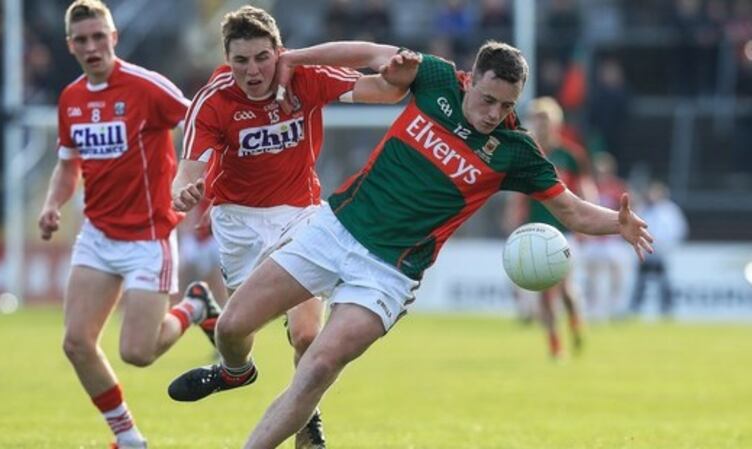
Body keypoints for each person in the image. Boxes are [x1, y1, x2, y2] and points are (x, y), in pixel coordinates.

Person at [169, 40, 653, 449]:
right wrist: (294, 57)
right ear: (471, 79)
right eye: (487, 99)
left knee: (317, 364)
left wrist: (619, 223)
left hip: (388, 273)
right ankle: (236, 371)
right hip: (334, 230)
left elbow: (570, 208)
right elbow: (368, 52)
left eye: (507, 106)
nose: (494, 114)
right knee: (232, 325)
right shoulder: (438, 79)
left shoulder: (514, 152)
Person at [168, 6, 413, 448]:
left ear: (278, 52)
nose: (253, 70)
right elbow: (188, 170)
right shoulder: (215, 98)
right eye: (240, 61)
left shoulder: (302, 78)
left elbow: (386, 93)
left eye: (262, 57)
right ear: (228, 59)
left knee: (305, 333)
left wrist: (394, 68)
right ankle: (236, 372)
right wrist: (181, 191)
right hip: (239, 223)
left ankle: (308, 423)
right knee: (236, 331)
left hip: (302, 215)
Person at [36, 2, 220, 448]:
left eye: (99, 36)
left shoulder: (147, 88)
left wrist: (197, 180)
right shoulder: (71, 99)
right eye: (82, 40)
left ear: (114, 38)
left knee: (137, 352)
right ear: (71, 46)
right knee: (76, 343)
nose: (92, 46)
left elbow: (203, 123)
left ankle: (195, 304)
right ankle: (129, 439)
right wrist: (52, 204)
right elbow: (67, 165)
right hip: (98, 236)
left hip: (148, 237)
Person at [504, 96, 597, 359]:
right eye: (536, 119)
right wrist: (513, 214)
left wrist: (588, 220)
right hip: (536, 231)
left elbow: (585, 188)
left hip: (565, 230)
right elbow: (518, 190)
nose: (540, 125)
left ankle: (576, 321)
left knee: (565, 290)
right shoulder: (527, 154)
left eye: (545, 119)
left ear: (556, 123)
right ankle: (555, 345)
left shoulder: (570, 154)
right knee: (545, 291)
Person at [627, 181, 688, 317]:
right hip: (645, 252)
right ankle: (635, 309)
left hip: (662, 252)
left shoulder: (670, 210)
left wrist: (667, 245)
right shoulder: (642, 208)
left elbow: (679, 229)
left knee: (664, 282)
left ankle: (666, 309)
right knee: (640, 282)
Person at [581, 151, 630, 319]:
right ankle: (594, 309)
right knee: (592, 276)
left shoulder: (617, 188)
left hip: (612, 239)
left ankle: (616, 307)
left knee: (618, 274)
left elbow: (628, 210)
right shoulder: (589, 186)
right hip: (594, 238)